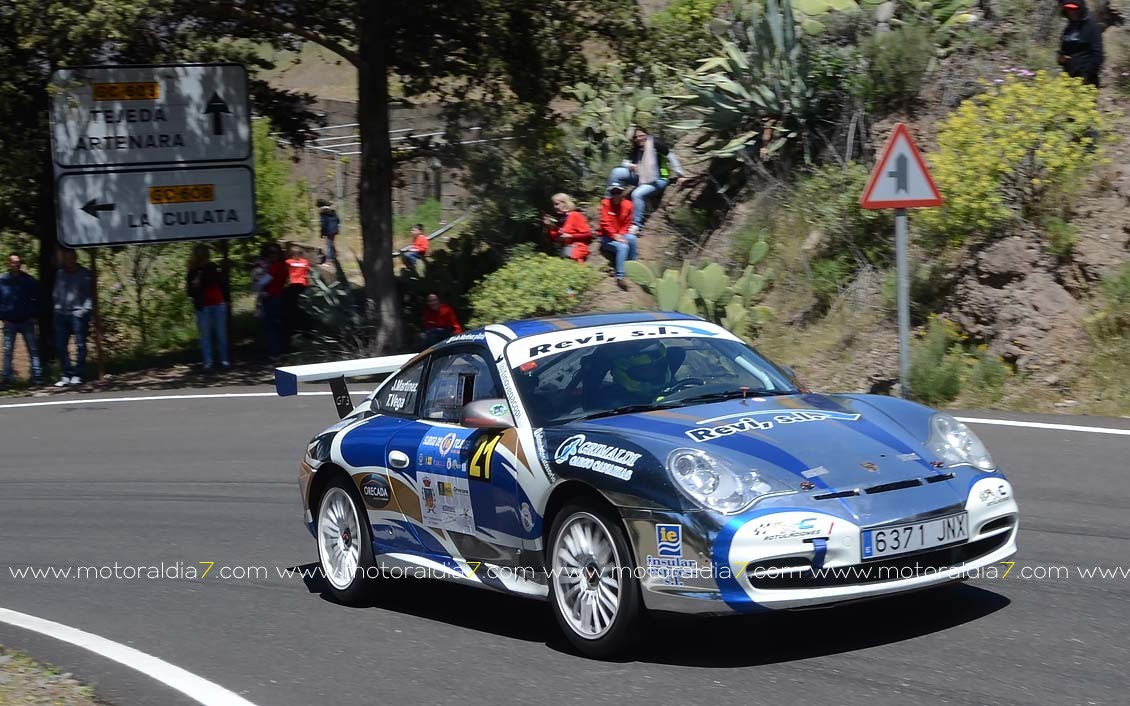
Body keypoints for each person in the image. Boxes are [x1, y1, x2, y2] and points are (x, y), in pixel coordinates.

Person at [608, 125, 686, 232]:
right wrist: (630, 165)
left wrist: (680, 175)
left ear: (646, 134)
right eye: (636, 137)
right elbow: (625, 162)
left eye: (641, 135)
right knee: (616, 172)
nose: (639, 138)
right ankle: (609, 202)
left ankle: (636, 225)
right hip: (640, 176)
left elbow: (671, 156)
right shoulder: (637, 148)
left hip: (658, 180)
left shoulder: (656, 144)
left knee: (637, 194)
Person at [52, 248, 94, 386]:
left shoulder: (85, 273)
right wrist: (56, 307)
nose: (68, 260)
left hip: (77, 314)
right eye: (66, 258)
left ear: (75, 258)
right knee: (61, 346)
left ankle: (78, 374)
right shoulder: (60, 273)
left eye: (71, 257)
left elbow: (89, 295)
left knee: (80, 345)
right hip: (61, 314)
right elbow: (56, 292)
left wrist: (84, 311)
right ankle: (66, 374)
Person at [0, 253, 43, 386]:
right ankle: (7, 379)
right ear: (9, 264)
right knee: (8, 352)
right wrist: (2, 317)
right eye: (13, 262)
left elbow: (37, 299)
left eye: (18, 262)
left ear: (20, 264)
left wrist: (33, 316)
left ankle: (37, 377)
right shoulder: (2, 280)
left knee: (33, 350)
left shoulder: (28, 280)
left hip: (26, 321)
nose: (16, 264)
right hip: (9, 322)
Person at [186, 244, 230, 372]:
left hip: (218, 303)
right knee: (205, 336)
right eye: (200, 255)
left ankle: (224, 360)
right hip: (203, 306)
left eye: (205, 255)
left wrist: (226, 300)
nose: (203, 257)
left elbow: (220, 283)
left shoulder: (213, 267)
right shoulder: (192, 272)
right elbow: (190, 292)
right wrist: (197, 281)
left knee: (221, 334)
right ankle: (208, 362)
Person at [598, 182, 637, 291]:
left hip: (620, 233)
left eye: (618, 192)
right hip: (607, 237)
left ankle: (633, 266)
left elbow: (627, 223)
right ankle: (620, 276)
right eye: (613, 192)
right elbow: (605, 223)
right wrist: (615, 236)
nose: (616, 195)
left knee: (632, 238)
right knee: (623, 247)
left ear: (622, 193)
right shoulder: (606, 204)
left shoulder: (628, 205)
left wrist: (621, 235)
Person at [610, 341, 674, 406]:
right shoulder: (611, 405)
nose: (653, 373)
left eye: (659, 366)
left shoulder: (674, 388)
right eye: (645, 370)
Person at [1059, 0, 1103, 87]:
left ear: (1080, 9)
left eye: (1074, 9)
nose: (1071, 12)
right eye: (1068, 9)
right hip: (1068, 79)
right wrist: (1061, 59)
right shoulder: (1068, 29)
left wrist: (1086, 77)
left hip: (1087, 81)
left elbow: (1098, 56)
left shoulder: (1092, 27)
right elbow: (1063, 52)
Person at [257, 242, 288, 359]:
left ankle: (274, 353)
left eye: (273, 253)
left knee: (270, 326)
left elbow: (262, 282)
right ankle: (281, 350)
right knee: (278, 325)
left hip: (271, 298)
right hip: (280, 296)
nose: (271, 255)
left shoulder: (274, 267)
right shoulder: (284, 266)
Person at [543, 193, 593, 262]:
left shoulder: (575, 215)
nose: (554, 207)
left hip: (577, 248)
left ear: (565, 203)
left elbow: (588, 234)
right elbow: (554, 238)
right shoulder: (561, 220)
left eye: (557, 204)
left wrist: (571, 236)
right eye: (554, 204)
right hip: (565, 249)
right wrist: (548, 226)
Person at [284, 245, 311, 341]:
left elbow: (285, 273)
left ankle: (293, 330)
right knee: (304, 309)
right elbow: (308, 273)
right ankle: (306, 331)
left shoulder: (288, 262)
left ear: (291, 254)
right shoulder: (305, 262)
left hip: (292, 287)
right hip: (303, 286)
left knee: (291, 309)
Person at [318, 199, 340, 264]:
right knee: (331, 244)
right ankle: (334, 256)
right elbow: (338, 220)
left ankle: (329, 261)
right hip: (334, 229)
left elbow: (323, 224)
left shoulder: (322, 213)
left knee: (328, 245)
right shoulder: (333, 211)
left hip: (328, 230)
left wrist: (321, 233)